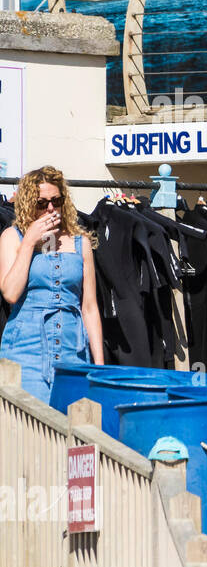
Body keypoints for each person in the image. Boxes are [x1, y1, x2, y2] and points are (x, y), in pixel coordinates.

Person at [0, 166, 104, 402]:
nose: (49, 208)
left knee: (73, 421)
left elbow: (89, 307)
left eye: (56, 201)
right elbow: (11, 294)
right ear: (28, 203)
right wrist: (29, 242)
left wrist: (99, 365)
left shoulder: (80, 242)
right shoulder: (12, 237)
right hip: (26, 348)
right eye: (41, 203)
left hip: (72, 347)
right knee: (28, 427)